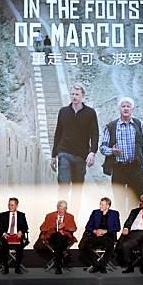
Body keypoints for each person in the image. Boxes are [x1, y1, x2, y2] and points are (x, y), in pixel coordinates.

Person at [50, 83, 99, 217]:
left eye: (77, 94)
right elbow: (58, 133)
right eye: (72, 94)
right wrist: (54, 155)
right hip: (64, 152)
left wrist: (92, 152)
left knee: (77, 189)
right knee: (64, 185)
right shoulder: (63, 112)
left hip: (81, 156)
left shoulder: (90, 113)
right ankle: (61, 217)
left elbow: (95, 134)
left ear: (83, 96)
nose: (74, 97)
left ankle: (73, 218)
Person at [100, 97, 143, 213]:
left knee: (136, 199)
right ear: (119, 109)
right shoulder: (111, 126)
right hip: (119, 168)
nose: (126, 108)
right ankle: (122, 225)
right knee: (119, 201)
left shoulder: (138, 124)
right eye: (123, 106)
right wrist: (112, 151)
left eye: (128, 106)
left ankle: (133, 227)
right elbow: (102, 148)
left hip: (135, 167)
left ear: (132, 109)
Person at [78, 197, 121, 273]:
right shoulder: (95, 212)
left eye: (102, 204)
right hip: (96, 235)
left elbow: (117, 227)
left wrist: (105, 231)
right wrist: (95, 231)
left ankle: (102, 265)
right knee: (86, 244)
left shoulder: (114, 213)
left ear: (108, 206)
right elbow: (88, 226)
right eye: (100, 204)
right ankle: (97, 264)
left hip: (108, 235)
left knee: (110, 246)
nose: (100, 206)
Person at [39, 200, 77, 274]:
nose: (60, 211)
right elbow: (42, 228)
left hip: (64, 238)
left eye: (62, 209)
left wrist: (64, 226)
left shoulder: (70, 216)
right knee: (58, 236)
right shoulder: (50, 216)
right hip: (52, 237)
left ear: (66, 209)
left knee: (59, 240)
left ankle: (58, 267)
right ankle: (65, 252)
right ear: (57, 208)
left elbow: (74, 228)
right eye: (59, 208)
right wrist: (54, 226)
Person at [0, 197, 29, 274]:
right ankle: (6, 268)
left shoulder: (21, 215)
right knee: (5, 247)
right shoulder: (3, 215)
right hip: (6, 235)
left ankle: (17, 268)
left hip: (17, 236)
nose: (10, 206)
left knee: (20, 248)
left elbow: (25, 227)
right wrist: (3, 233)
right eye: (9, 205)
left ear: (16, 206)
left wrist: (21, 232)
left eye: (12, 205)